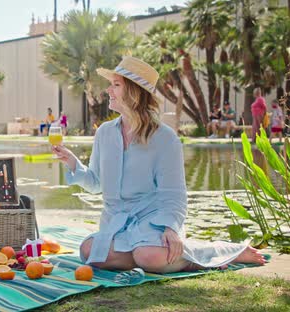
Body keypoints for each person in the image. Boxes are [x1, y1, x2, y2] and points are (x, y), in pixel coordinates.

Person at [52, 56, 265, 274]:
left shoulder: (165, 138)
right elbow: (97, 184)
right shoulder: (104, 133)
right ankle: (155, 257)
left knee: (149, 256)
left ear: (134, 93)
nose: (108, 90)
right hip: (117, 224)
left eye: (116, 85)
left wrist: (171, 228)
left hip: (153, 221)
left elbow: (173, 194)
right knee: (90, 252)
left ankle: (217, 251)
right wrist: (73, 164)